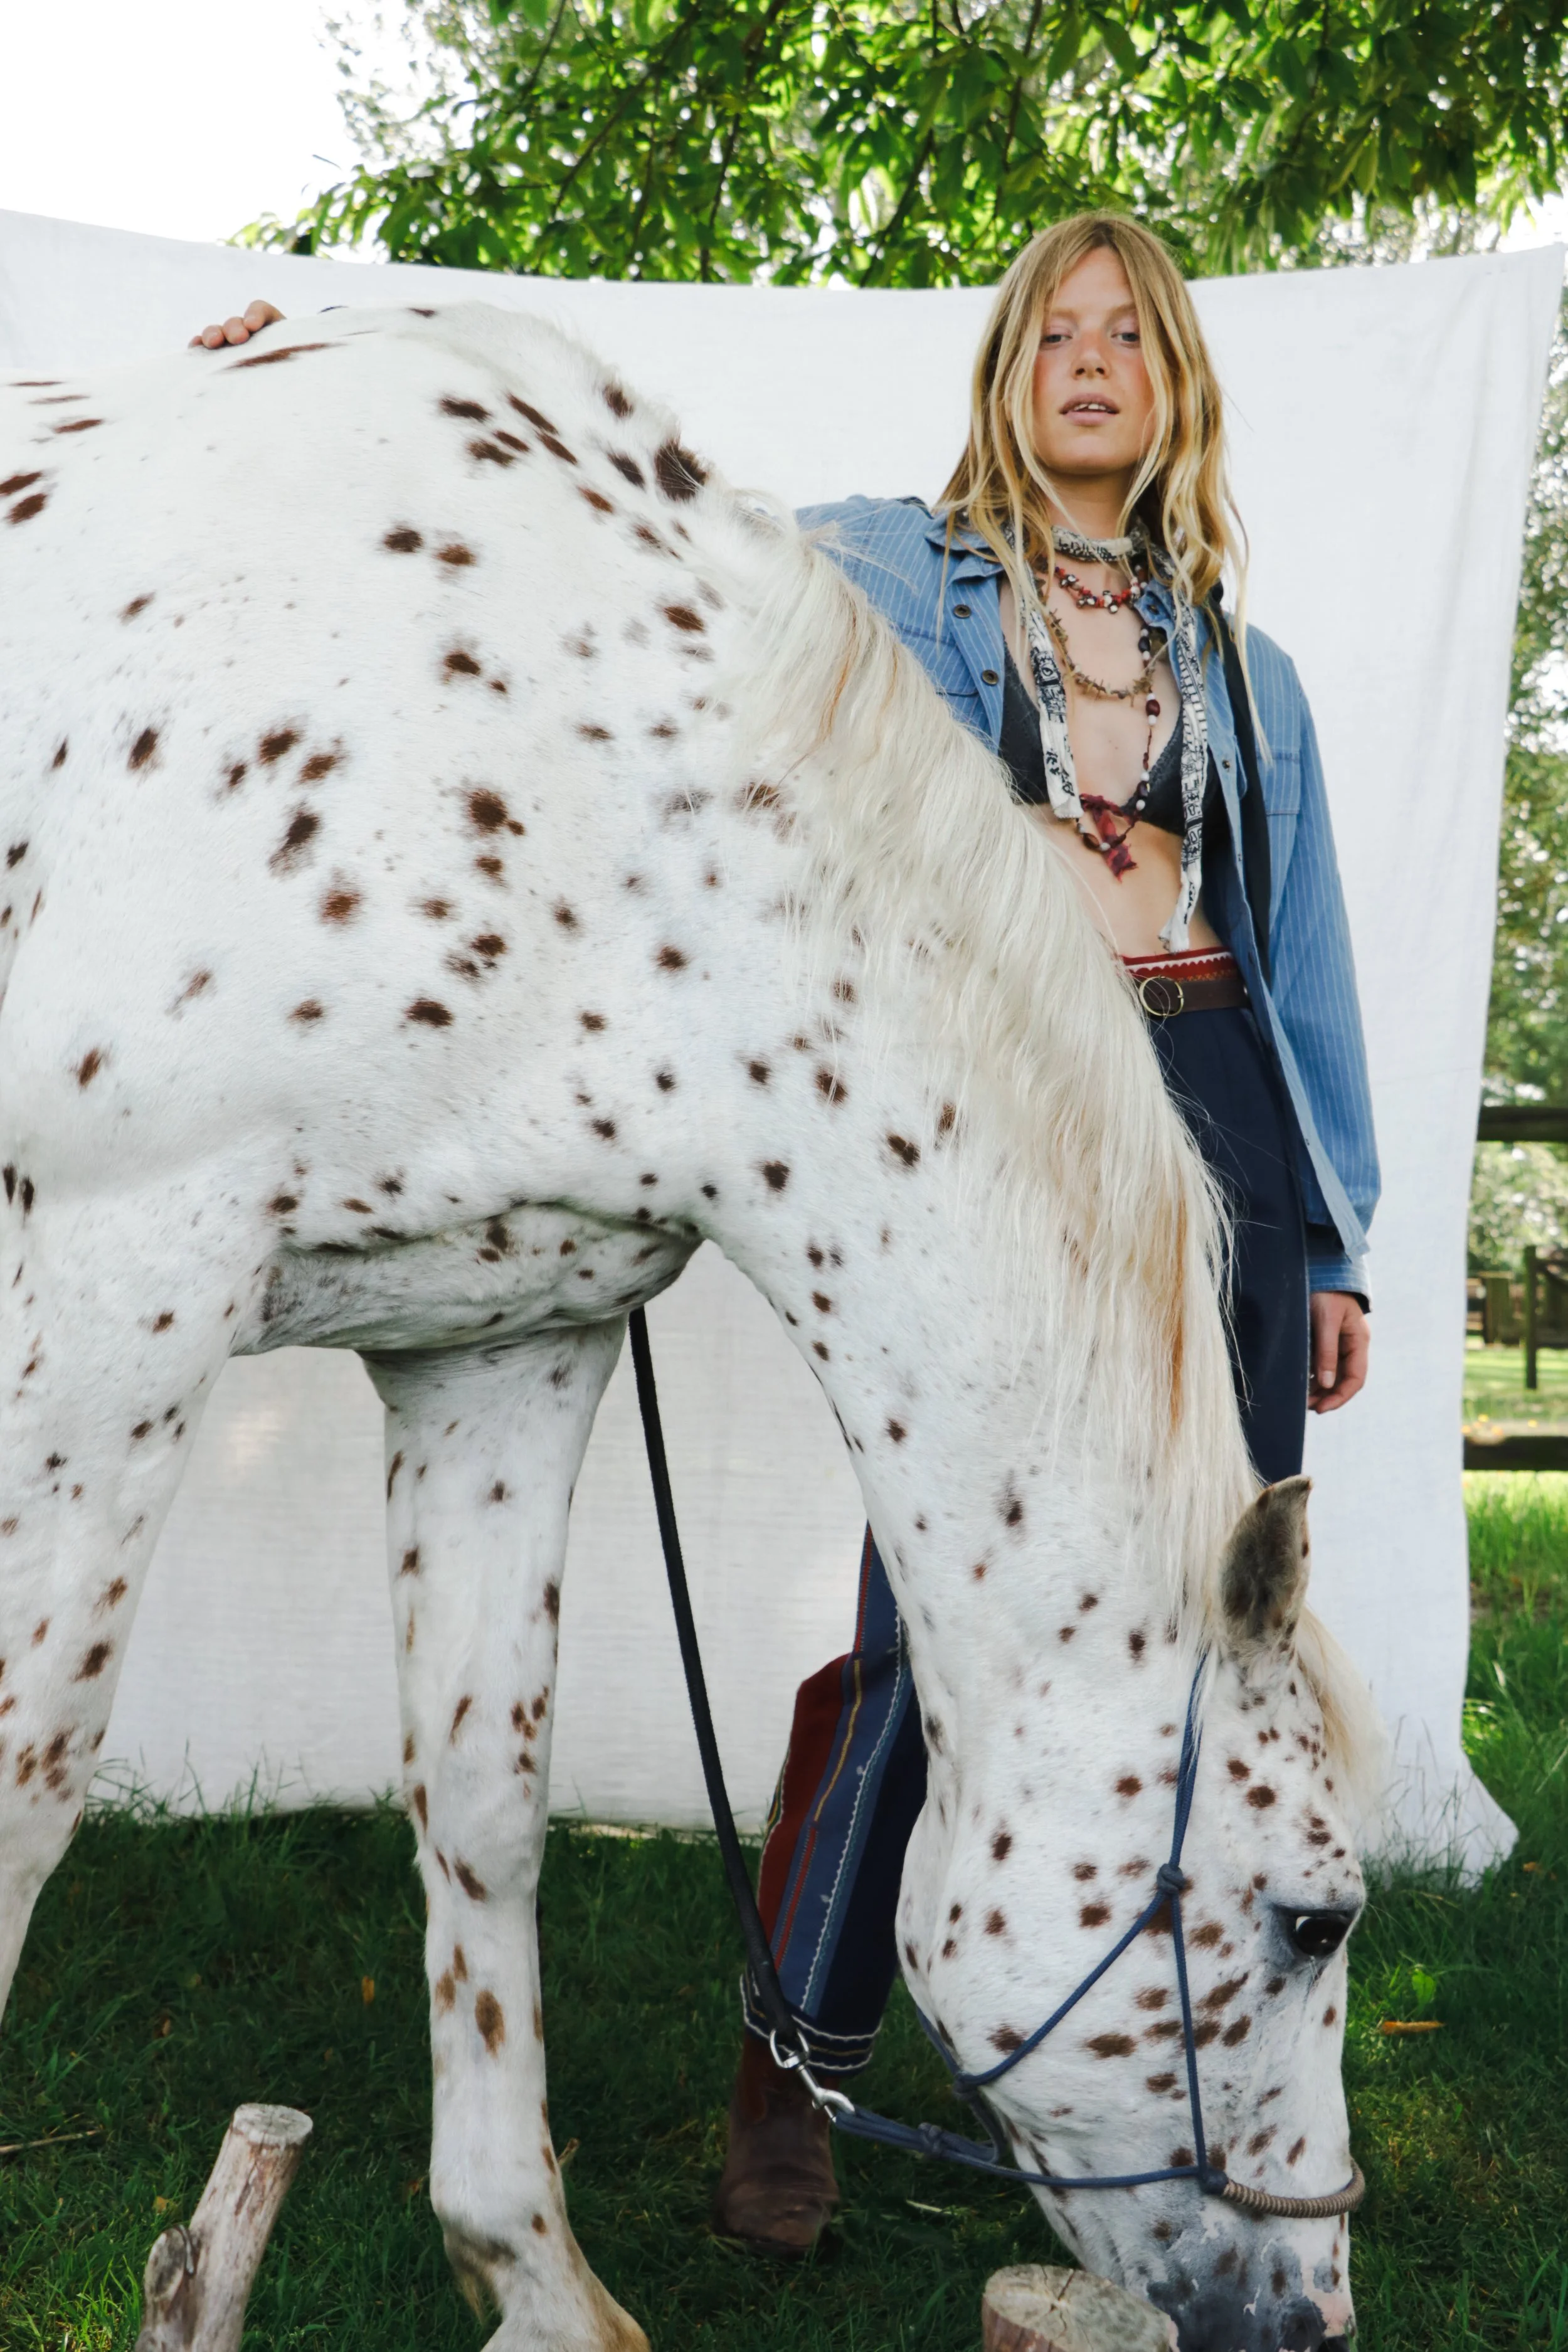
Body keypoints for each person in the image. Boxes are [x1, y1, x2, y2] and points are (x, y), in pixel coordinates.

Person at [191, 210, 1377, 2258]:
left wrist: (1332, 1240)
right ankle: (797, 2075)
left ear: (1175, 384)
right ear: (1007, 372)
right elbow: (647, 522)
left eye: (1129, 337)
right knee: (948, 1624)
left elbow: (1297, 964)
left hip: (1228, 1155)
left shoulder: (1239, 668)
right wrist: (324, 366)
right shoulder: (895, 574)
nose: (1088, 363)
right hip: (1007, 1158)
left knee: (1210, 1633)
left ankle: (1192, 2044)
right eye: (1051, 335)